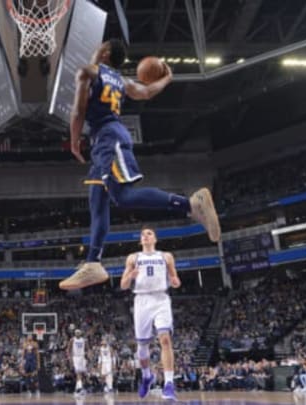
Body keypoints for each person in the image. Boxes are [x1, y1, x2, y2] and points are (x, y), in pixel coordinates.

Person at [59, 39, 220, 291]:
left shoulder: (88, 71)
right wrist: (167, 79)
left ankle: (190, 204)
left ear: (106, 52)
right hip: (106, 140)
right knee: (97, 198)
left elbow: (78, 110)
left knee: (121, 197)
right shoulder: (121, 82)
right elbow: (145, 92)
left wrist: (74, 141)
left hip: (108, 138)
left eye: (100, 46)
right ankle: (93, 263)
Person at [120, 226, 181, 400]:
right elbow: (123, 285)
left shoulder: (166, 256)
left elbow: (175, 280)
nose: (145, 236)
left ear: (155, 239)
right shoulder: (133, 258)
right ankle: (147, 376)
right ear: (140, 241)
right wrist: (130, 276)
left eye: (149, 233)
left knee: (165, 339)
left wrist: (175, 281)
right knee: (142, 346)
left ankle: (169, 384)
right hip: (142, 301)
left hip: (161, 298)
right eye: (143, 234)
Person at [68, 329, 87, 396]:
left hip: (82, 357)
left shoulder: (83, 340)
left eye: (78, 333)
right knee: (78, 373)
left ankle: (77, 390)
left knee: (80, 374)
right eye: (76, 333)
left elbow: (87, 348)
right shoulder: (72, 340)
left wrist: (88, 355)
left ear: (80, 333)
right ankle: (80, 389)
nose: (77, 334)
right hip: (75, 357)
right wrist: (69, 357)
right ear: (75, 333)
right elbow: (68, 349)